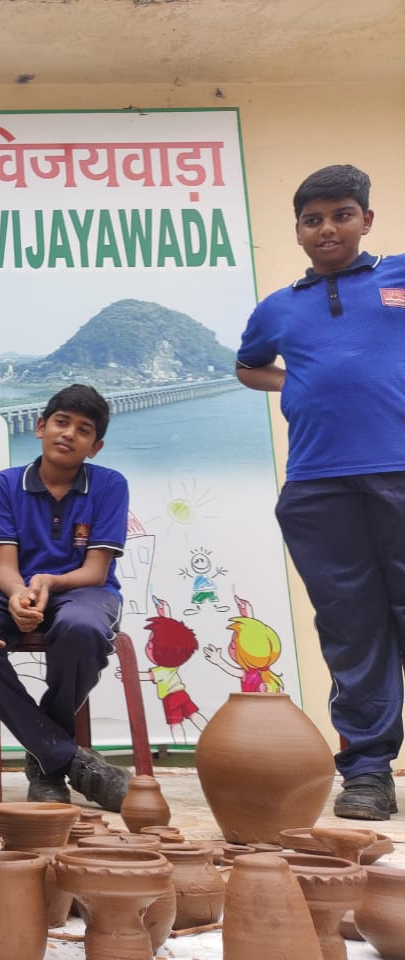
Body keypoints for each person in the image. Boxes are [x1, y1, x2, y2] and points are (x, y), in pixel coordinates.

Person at [236, 163, 405, 821]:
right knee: (352, 628)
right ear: (300, 231)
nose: (328, 227)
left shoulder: (398, 278)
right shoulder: (278, 307)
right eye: (313, 219)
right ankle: (366, 773)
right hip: (316, 487)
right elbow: (249, 365)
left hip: (399, 475)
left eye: (341, 214)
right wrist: (298, 383)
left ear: (366, 219)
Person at [0, 384, 132, 811]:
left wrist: (47, 581)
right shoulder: (8, 484)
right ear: (41, 427)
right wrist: (18, 594)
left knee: (80, 628)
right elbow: (4, 566)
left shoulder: (110, 485)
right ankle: (66, 757)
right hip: (20, 592)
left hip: (85, 594)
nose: (68, 434)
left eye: (83, 430)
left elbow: (95, 571)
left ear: (95, 446)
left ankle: (45, 764)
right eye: (61, 422)